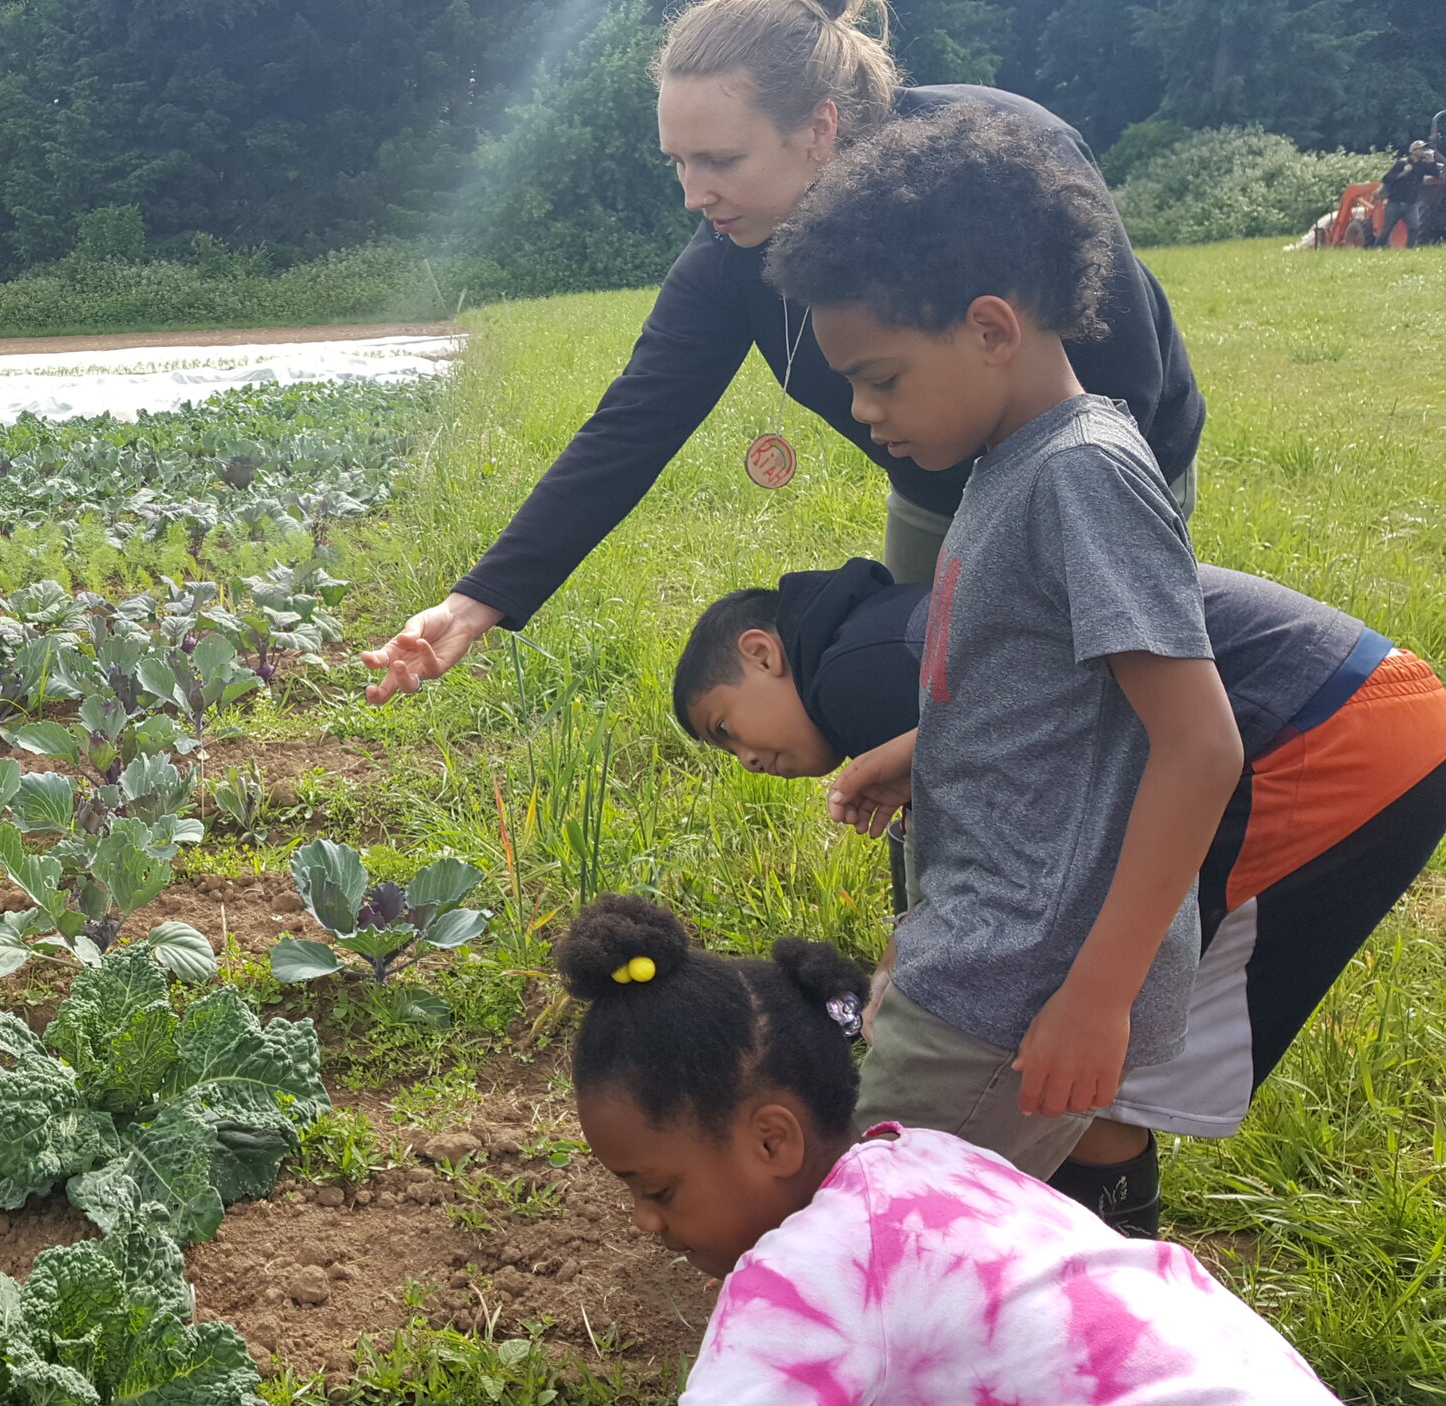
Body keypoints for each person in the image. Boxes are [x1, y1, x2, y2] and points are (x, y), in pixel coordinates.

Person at [360, 0, 1204, 706]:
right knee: (935, 703)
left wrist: (1036, 544)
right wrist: (477, 604)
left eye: (721, 159)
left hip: (1112, 464)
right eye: (680, 163)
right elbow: (633, 424)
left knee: (1093, 706)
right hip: (938, 491)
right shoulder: (730, 257)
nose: (696, 194)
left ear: (819, 129)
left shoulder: (1001, 156)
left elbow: (1124, 372)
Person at [669, 558, 1446, 1234]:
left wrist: (913, 992)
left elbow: (1000, 871)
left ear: (763, 652)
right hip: (1358, 703)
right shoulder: (886, 634)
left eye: (725, 727)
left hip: (1318, 737)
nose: (744, 760)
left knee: (1085, 1060)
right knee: (1090, 1060)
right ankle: (1097, 1280)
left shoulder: (852, 670)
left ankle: (1096, 1304)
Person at [763, 105, 1245, 1179]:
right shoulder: (1009, 458)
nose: (859, 409)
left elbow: (1199, 747)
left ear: (990, 328)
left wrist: (1098, 994)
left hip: (1024, 977)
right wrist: (920, 746)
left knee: (871, 1222)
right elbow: (1053, 696)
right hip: (984, 948)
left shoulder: (1080, 474)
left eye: (879, 377)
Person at [556, 894, 1345, 1404]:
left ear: (772, 1138)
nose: (646, 1224)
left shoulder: (799, 1276)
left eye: (658, 1190)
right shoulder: (934, 1158)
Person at [1378, 143, 1428, 248]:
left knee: (1415, 227)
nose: (1424, 150)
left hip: (1411, 204)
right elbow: (1387, 179)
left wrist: (1432, 161)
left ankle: (1410, 249)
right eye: (1421, 149)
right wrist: (1403, 173)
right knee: (1387, 229)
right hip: (1395, 203)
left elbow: (1436, 173)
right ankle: (1377, 248)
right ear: (1414, 151)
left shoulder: (1423, 165)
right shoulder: (1401, 163)